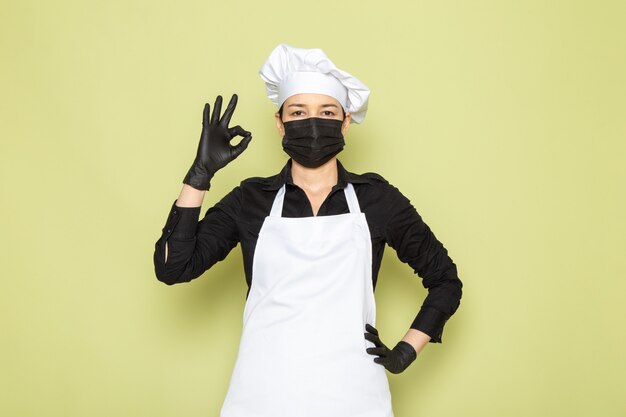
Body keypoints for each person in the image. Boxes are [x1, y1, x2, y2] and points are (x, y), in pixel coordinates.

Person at [153, 43, 463, 417]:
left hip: (354, 396)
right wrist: (199, 175)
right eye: (299, 112)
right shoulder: (251, 200)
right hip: (262, 394)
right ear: (280, 122)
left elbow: (446, 279)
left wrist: (406, 351)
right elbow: (172, 267)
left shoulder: (377, 199)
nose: (312, 123)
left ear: (345, 122)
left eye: (327, 112)